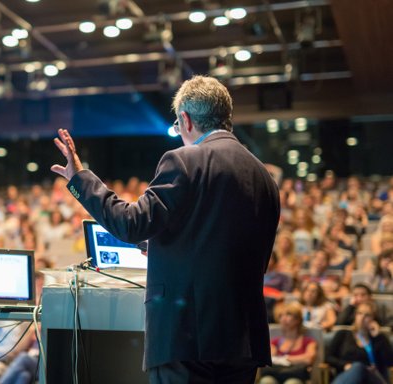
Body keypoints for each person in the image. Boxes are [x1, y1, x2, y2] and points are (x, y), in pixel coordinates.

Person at [50, 75, 280, 383]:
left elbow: (131, 224)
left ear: (185, 120)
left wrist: (80, 178)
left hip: (187, 336)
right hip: (243, 340)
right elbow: (229, 250)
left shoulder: (185, 160)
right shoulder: (263, 177)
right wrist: (157, 245)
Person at [327, 302, 393, 383]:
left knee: (359, 367)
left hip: (372, 378)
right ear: (355, 316)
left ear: (373, 319)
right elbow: (328, 358)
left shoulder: (380, 338)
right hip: (347, 375)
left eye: (367, 315)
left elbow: (390, 362)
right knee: (357, 368)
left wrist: (377, 337)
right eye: (359, 313)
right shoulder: (343, 334)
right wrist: (344, 365)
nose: (362, 317)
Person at [259, 302, 318, 384]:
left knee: (292, 383)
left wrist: (284, 358)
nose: (283, 318)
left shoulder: (308, 341)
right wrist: (297, 359)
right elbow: (270, 359)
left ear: (297, 319)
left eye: (288, 315)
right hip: (275, 374)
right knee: (266, 381)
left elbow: (308, 359)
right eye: (281, 316)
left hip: (295, 375)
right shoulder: (275, 341)